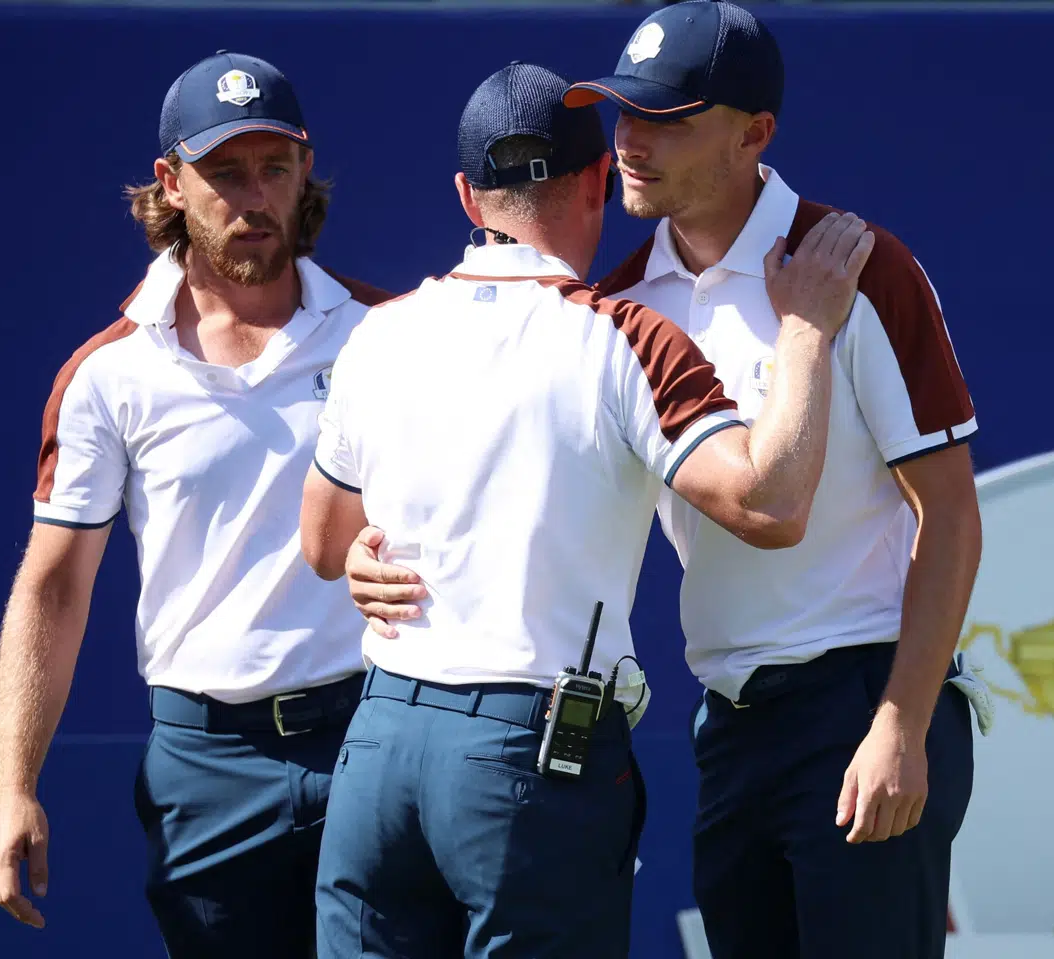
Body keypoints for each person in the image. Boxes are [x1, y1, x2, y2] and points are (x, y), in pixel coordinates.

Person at [344, 5, 985, 958]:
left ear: (754, 133)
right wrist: (374, 542)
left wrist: (902, 723)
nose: (631, 144)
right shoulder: (627, 297)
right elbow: (531, 468)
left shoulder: (857, 268)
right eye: (624, 114)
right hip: (728, 722)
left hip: (865, 699)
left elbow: (954, 520)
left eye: (668, 119)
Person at [0, 50, 390, 957]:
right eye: (225, 173)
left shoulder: (385, 336)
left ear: (304, 172)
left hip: (377, 735)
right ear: (171, 183)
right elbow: (53, 588)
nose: (254, 197)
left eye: (274, 168)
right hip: (207, 767)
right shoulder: (109, 374)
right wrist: (14, 785)